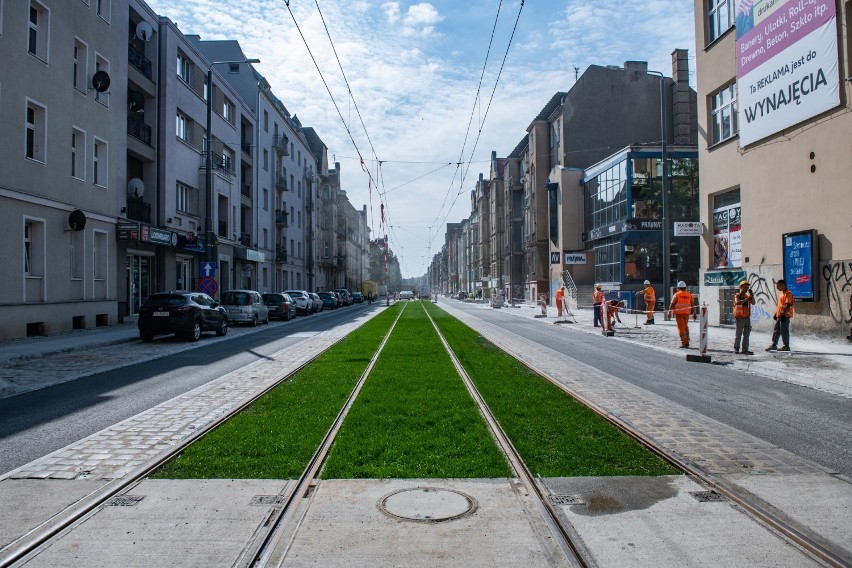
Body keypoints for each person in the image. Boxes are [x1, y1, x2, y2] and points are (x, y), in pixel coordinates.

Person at [766, 279, 794, 351]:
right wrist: (776, 314)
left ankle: (786, 346)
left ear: (783, 285)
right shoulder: (782, 293)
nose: (777, 287)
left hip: (784, 316)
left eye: (778, 286)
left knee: (784, 330)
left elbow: (788, 304)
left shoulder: (788, 293)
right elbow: (780, 306)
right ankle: (774, 344)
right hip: (780, 315)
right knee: (776, 330)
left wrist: (784, 314)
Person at [669, 281, 694, 348]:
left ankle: (684, 343)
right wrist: (694, 313)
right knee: (685, 327)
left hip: (679, 314)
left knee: (681, 328)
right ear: (685, 287)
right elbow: (693, 304)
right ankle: (687, 341)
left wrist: (669, 312)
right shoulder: (689, 295)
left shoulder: (677, 294)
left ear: (678, 288)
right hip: (686, 314)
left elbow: (672, 304)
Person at [733, 280, 755, 355]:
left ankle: (745, 349)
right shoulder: (737, 295)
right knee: (738, 334)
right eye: (745, 287)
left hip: (747, 317)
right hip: (739, 318)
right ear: (741, 287)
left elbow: (753, 302)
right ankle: (736, 349)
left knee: (746, 335)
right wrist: (746, 299)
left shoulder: (747, 296)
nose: (746, 289)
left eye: (747, 287)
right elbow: (737, 302)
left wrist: (752, 295)